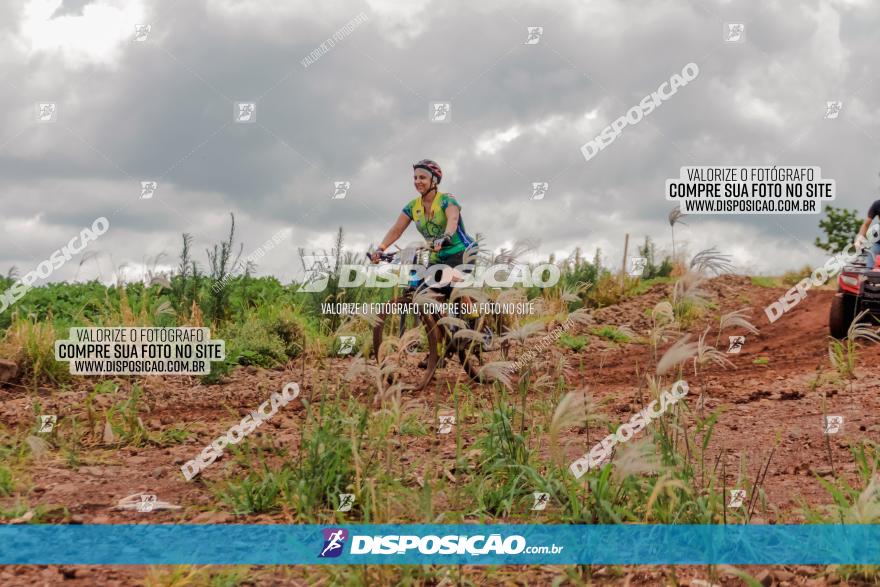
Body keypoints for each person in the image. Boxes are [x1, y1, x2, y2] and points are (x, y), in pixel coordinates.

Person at [371, 159, 477, 292]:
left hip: (461, 251)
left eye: (422, 177)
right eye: (415, 178)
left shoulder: (447, 200)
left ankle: (471, 307)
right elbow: (396, 230)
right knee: (420, 288)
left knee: (447, 285)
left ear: (434, 181)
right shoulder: (412, 206)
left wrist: (446, 235)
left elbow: (453, 219)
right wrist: (381, 249)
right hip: (437, 254)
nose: (417, 181)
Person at [855, 198, 880, 268]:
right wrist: (859, 240)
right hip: (878, 243)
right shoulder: (877, 204)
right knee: (871, 259)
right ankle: (869, 273)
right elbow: (866, 225)